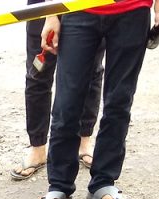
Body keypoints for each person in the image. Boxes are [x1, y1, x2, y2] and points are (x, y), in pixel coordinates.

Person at [31, 0, 159, 199]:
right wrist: (51, 14)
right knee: (67, 102)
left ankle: (103, 182)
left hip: (132, 10)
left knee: (119, 101)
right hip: (78, 9)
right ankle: (59, 185)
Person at [11, 1, 106, 181]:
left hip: (86, 6)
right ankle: (38, 148)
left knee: (91, 70)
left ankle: (84, 140)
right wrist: (51, 13)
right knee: (38, 72)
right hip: (43, 5)